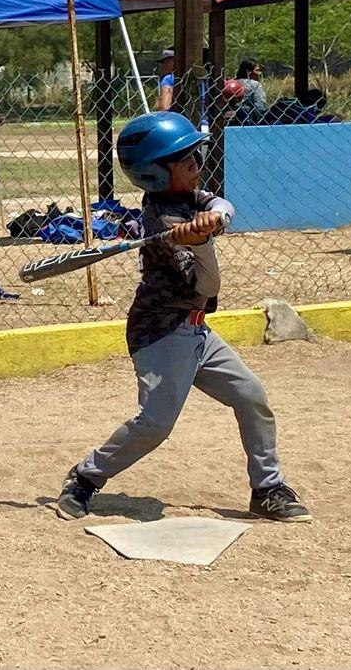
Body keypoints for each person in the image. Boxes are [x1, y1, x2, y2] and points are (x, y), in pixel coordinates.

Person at [56, 111, 310, 523]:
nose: (198, 169)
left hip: (197, 332)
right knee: (155, 424)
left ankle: (267, 488)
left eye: (197, 159)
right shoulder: (161, 221)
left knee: (251, 396)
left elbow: (216, 203)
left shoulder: (187, 197)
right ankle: (86, 478)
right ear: (156, 175)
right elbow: (200, 265)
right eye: (188, 163)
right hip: (162, 335)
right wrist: (197, 237)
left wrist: (217, 214)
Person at [232, 59, 268, 124]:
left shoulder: (231, 83)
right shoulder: (255, 85)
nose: (260, 73)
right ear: (249, 72)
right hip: (249, 121)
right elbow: (260, 107)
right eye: (257, 70)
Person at [155, 47, 176, 112]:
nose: (162, 66)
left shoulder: (168, 79)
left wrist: (158, 106)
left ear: (174, 61)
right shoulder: (204, 77)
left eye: (164, 62)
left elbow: (164, 107)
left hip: (175, 120)